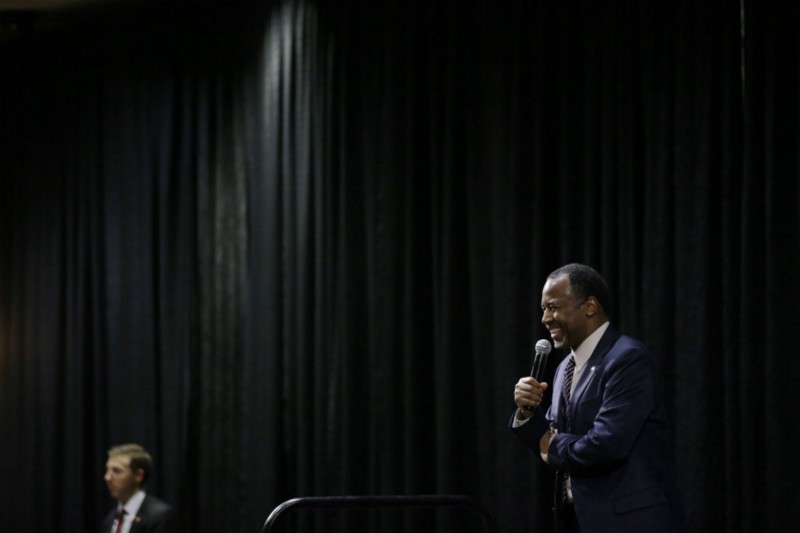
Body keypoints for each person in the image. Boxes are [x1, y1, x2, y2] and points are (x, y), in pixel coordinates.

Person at [510, 263, 684, 532]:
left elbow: (606, 444)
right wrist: (527, 415)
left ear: (589, 306)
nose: (545, 319)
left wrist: (549, 444)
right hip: (576, 520)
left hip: (627, 522)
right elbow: (553, 434)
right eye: (543, 309)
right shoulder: (563, 369)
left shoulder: (627, 359)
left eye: (553, 307)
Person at [101, 443, 177, 533]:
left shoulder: (159, 516)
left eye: (117, 471)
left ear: (138, 475)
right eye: (107, 470)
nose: (107, 477)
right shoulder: (109, 519)